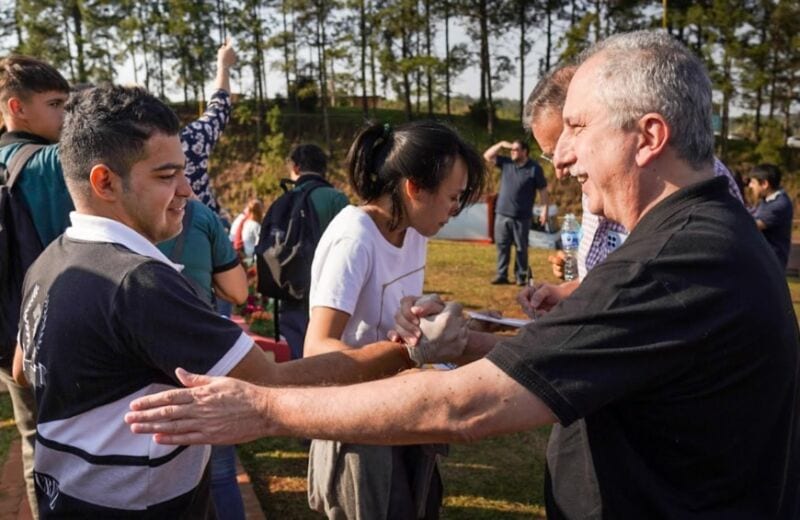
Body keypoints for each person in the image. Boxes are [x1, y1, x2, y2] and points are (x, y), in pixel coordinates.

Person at [125, 31, 800, 519]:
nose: (563, 157)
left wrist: (264, 409)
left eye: (577, 127)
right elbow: (588, 352)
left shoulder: (677, 259)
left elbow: (463, 406)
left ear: (648, 137)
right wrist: (467, 342)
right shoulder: (693, 240)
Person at [13, 85, 467, 517]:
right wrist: (410, 352)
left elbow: (22, 369)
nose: (187, 191)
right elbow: (271, 383)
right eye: (167, 176)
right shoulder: (139, 283)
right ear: (105, 182)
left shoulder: (52, 259)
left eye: (183, 173)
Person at [303, 121, 486, 519]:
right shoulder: (355, 238)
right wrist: (408, 352)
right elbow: (316, 349)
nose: (455, 210)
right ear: (414, 188)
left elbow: (393, 315)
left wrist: (421, 314)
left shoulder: (414, 230)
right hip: (358, 424)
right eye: (453, 197)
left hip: (401, 410)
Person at [523, 63, 745, 304]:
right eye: (551, 155)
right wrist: (569, 291)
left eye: (573, 136)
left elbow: (680, 296)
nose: (560, 167)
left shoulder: (695, 183)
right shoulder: (596, 185)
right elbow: (612, 278)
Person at [0, 54, 71, 520]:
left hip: (9, 333)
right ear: (16, 107)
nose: (66, 115)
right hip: (59, 329)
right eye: (56, 104)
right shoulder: (50, 164)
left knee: (34, 439)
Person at [278, 143, 349, 360]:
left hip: (290, 290)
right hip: (327, 293)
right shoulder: (337, 199)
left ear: (296, 167)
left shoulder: (285, 198)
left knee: (297, 357)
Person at [181, 37, 236, 213]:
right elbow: (219, 107)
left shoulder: (115, 157)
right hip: (203, 224)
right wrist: (223, 65)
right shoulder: (188, 141)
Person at [483, 139, 548, 285]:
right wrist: (501, 144)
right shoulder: (506, 163)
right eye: (511, 149)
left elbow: (543, 190)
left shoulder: (534, 168)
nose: (512, 152)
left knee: (521, 248)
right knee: (502, 245)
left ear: (524, 152)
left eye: (516, 149)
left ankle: (521, 276)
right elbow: (487, 156)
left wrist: (544, 211)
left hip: (522, 217)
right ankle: (502, 275)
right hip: (502, 213)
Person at [748, 163, 793, 269]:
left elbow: (750, 226)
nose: (750, 185)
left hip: (770, 267)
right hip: (764, 263)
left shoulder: (778, 205)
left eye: (753, 182)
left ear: (764, 184)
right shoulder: (768, 200)